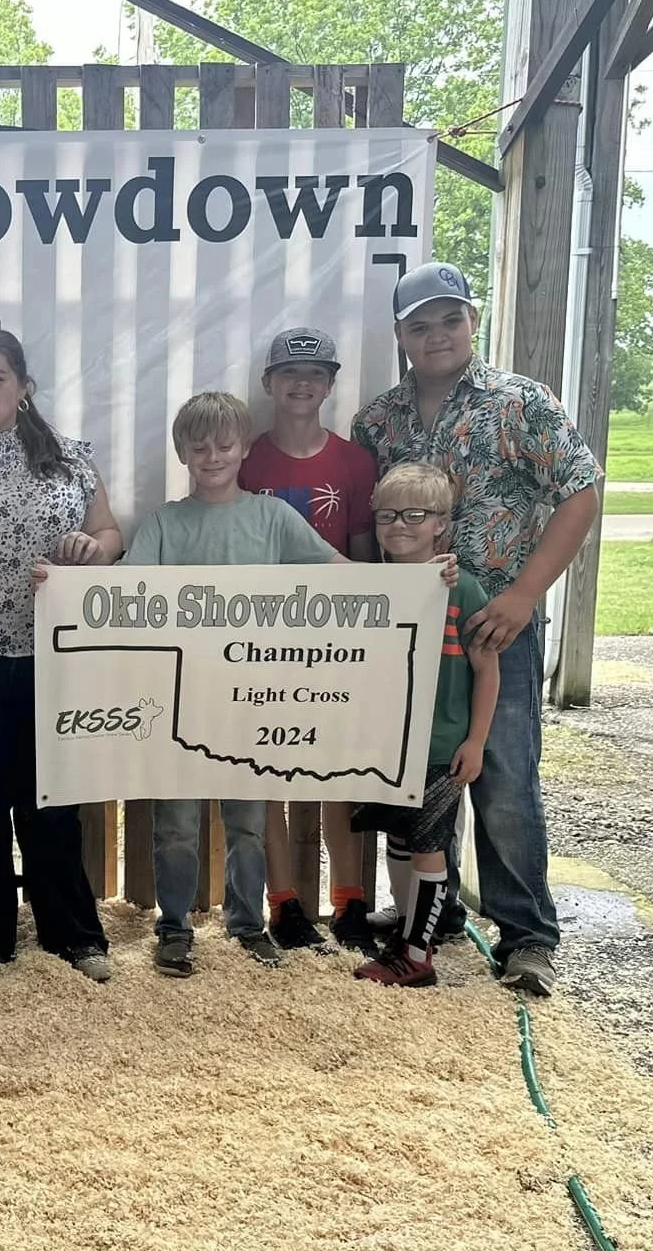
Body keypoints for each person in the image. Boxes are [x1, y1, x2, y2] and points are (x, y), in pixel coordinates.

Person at [350, 261, 604, 998]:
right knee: (423, 775)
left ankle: (527, 936)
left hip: (494, 622)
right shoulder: (380, 419)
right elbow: (374, 522)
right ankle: (438, 918)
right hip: (405, 634)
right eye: (419, 324)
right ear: (399, 335)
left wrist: (525, 594)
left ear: (473, 322)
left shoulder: (519, 402)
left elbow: (581, 491)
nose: (436, 335)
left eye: (449, 319)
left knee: (502, 782)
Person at [0, 328, 121, 984]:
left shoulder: (69, 456)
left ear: (24, 387)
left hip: (53, 652)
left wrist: (95, 550)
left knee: (53, 799)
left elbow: (109, 531)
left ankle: (73, 935)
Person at [125, 392, 337, 976]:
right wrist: (63, 585)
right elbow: (120, 592)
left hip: (253, 699)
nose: (212, 455)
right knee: (175, 826)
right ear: (182, 453)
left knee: (248, 821)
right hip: (179, 702)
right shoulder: (165, 524)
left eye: (224, 444)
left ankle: (247, 925)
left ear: (245, 447)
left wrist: (415, 581)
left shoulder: (272, 519)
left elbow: (338, 574)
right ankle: (174, 928)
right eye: (199, 446)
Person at [240, 328, 384, 956]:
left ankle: (348, 903)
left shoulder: (355, 463)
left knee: (339, 767)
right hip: (263, 636)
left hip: (334, 637)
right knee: (265, 766)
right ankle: (284, 904)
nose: (302, 383)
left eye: (315, 373)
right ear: (269, 384)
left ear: (330, 385)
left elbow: (362, 554)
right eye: (289, 373)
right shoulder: (245, 461)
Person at [348, 464, 499, 987]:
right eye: (387, 515)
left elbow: (487, 671)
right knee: (401, 836)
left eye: (416, 514)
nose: (399, 525)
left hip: (439, 745)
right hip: (391, 741)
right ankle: (408, 925)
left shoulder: (464, 591)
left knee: (430, 846)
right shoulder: (372, 584)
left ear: (441, 523)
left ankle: (418, 955)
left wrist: (476, 740)